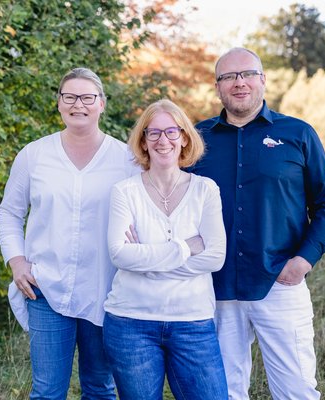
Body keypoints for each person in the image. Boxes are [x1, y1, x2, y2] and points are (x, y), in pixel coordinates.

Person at [189, 47, 325, 399]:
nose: (239, 82)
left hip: (280, 281)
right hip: (216, 286)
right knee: (223, 392)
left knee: (296, 390)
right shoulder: (197, 139)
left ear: (263, 80)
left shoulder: (298, 134)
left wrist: (303, 260)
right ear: (217, 86)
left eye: (247, 74)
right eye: (229, 76)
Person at [0, 67, 140, 400]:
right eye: (70, 97)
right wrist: (17, 262)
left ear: (101, 103)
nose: (78, 105)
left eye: (87, 97)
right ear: (59, 102)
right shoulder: (34, 155)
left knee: (100, 389)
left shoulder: (126, 160)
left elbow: (143, 217)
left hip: (105, 289)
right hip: (46, 288)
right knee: (47, 391)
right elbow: (9, 213)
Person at [103, 99, 229, 400]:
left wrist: (146, 260)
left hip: (193, 322)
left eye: (172, 131)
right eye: (154, 132)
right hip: (131, 323)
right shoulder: (125, 191)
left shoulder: (205, 189)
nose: (163, 140)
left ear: (184, 138)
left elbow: (216, 257)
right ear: (143, 141)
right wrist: (186, 247)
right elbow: (119, 254)